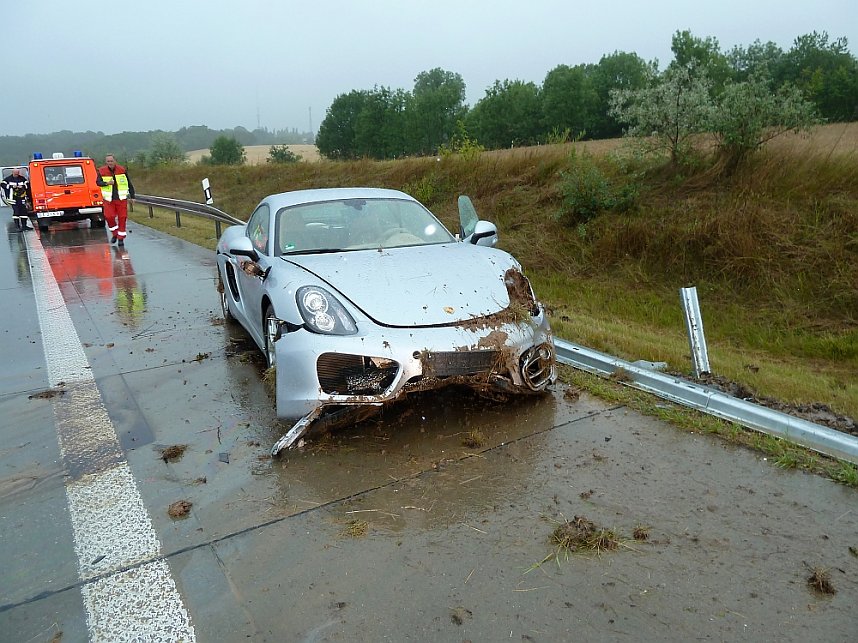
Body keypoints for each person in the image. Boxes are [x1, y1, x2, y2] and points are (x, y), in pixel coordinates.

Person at [96, 154, 135, 247]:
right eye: (108, 161)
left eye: (111, 161)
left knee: (122, 218)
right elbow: (98, 182)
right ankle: (115, 234)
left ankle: (121, 239)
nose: (110, 163)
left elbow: (129, 183)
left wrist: (133, 196)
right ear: (106, 162)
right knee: (109, 217)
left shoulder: (122, 170)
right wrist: (107, 183)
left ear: (115, 161)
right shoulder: (101, 171)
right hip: (108, 199)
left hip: (121, 199)